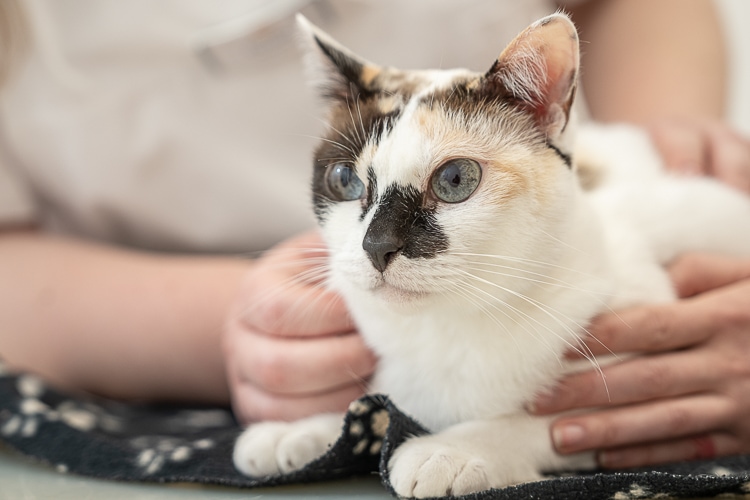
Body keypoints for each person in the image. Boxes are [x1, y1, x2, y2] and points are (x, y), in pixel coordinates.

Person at [0, 0, 748, 471]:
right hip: (156, 351)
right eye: (348, 188)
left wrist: (667, 144)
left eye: (452, 183)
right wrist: (254, 328)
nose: (380, 241)